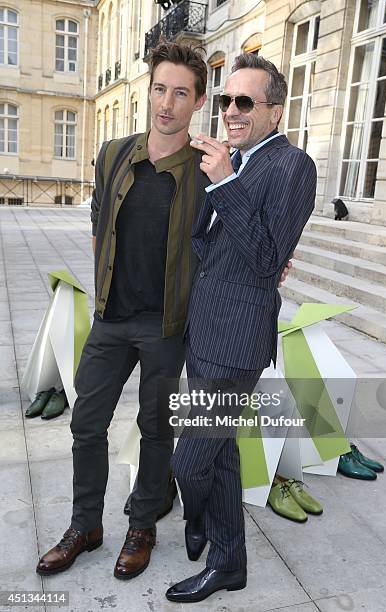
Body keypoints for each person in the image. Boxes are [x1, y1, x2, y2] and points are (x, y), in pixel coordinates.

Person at [36, 41, 209, 581]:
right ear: (148, 91)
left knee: (156, 428)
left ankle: (142, 524)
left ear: (197, 102)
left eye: (180, 93)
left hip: (164, 326)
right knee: (86, 424)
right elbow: (98, 224)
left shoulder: (208, 171)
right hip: (112, 320)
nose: (167, 103)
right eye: (160, 89)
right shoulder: (113, 153)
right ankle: (85, 525)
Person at [166, 53, 317, 603]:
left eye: (244, 101)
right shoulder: (236, 161)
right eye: (226, 99)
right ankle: (228, 561)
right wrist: (222, 186)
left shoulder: (291, 166)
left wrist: (225, 182)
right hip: (203, 330)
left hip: (237, 341)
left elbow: (262, 263)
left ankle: (202, 524)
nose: (230, 110)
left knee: (192, 456)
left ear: (275, 112)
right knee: (222, 452)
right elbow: (208, 245)